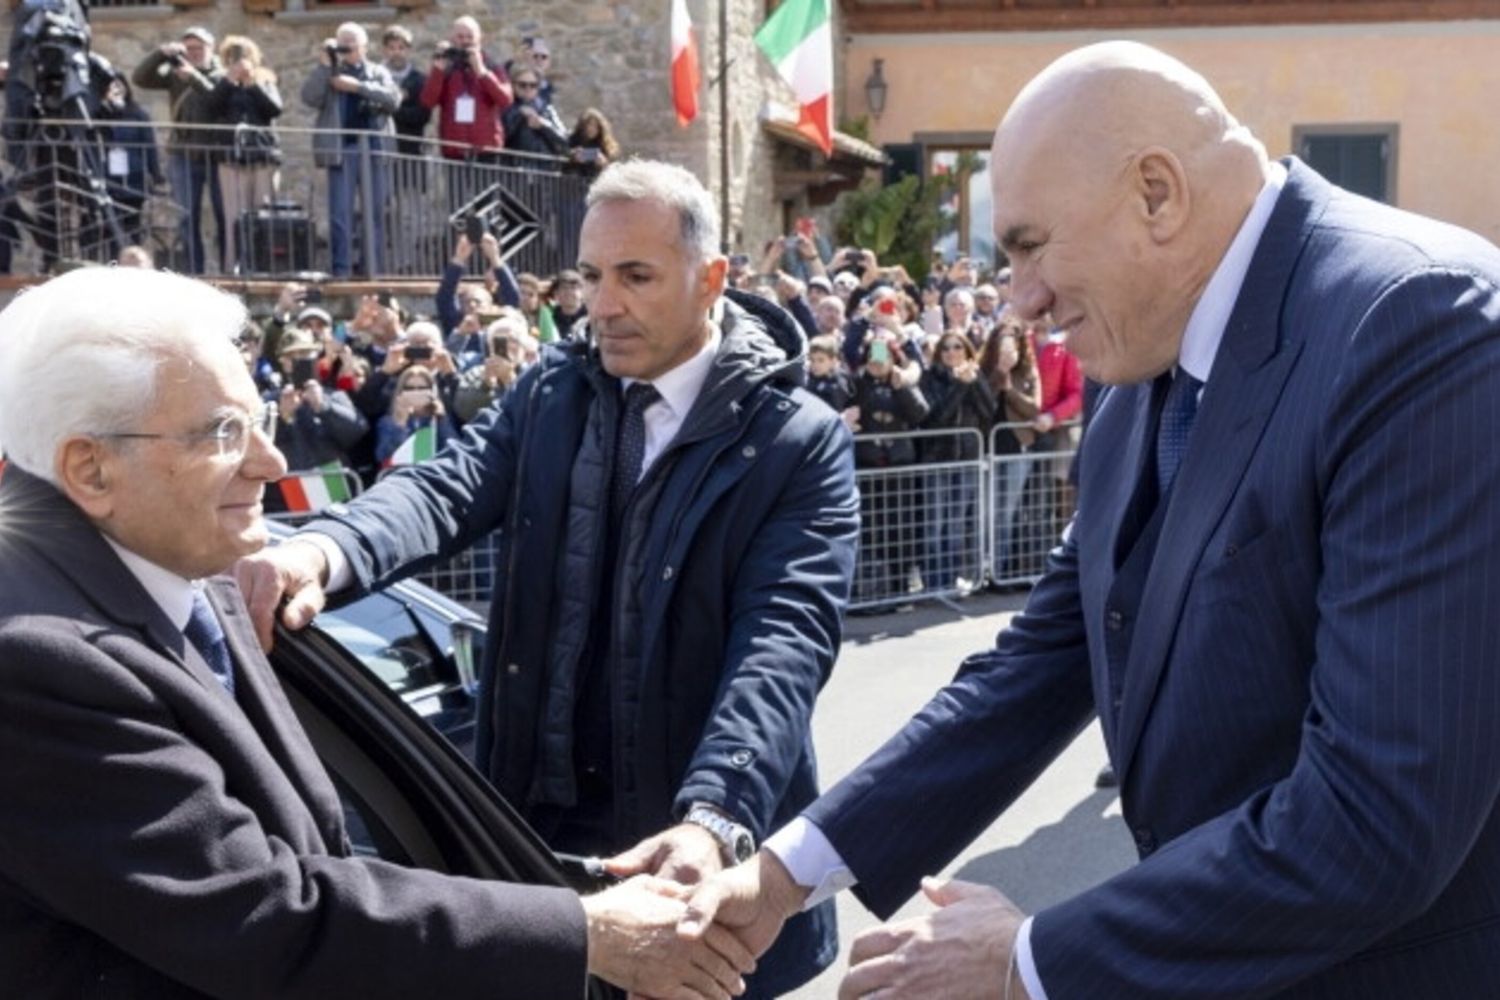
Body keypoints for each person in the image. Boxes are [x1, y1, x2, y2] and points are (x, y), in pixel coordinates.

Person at [679, 40, 1500, 1000]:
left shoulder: (1420, 325)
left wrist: (1027, 960)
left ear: (1157, 192)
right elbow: (1044, 658)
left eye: (1028, 245)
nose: (1018, 300)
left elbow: (1377, 815)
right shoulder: (1143, 357)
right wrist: (783, 873)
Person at [0, 265, 756, 1000]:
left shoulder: (202, 575)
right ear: (91, 471)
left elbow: (309, 845)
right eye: (224, 433)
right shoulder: (38, 663)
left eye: (258, 418)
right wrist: (585, 932)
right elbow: (262, 914)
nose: (269, 462)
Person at [235, 159, 859, 999]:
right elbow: (445, 489)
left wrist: (715, 818)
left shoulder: (798, 441)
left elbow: (782, 644)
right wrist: (321, 551)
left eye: (635, 276)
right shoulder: (551, 390)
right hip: (534, 832)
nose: (601, 304)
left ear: (711, 278)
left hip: (689, 847)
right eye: (591, 276)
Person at [301, 23, 399, 277]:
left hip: (375, 152)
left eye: (351, 43)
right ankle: (341, 269)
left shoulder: (377, 72)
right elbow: (309, 98)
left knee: (375, 213)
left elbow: (392, 99)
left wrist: (356, 86)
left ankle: (373, 269)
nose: (346, 48)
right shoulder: (330, 72)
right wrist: (324, 65)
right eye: (342, 42)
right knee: (339, 214)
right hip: (341, 151)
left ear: (364, 46)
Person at [131, 25, 224, 274]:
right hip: (183, 154)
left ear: (210, 48)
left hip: (216, 155)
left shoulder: (221, 74)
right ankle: (193, 270)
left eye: (199, 47)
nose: (194, 52)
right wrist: (161, 54)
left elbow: (216, 99)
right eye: (189, 48)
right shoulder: (176, 75)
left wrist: (193, 76)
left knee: (223, 216)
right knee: (186, 217)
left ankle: (228, 267)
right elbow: (140, 78)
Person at [206, 35, 281, 276]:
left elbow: (274, 109)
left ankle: (264, 265)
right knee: (233, 216)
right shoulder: (219, 81)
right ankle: (233, 268)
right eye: (234, 57)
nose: (239, 62)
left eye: (244, 56)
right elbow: (212, 108)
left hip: (263, 156)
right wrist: (229, 81)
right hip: (231, 158)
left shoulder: (265, 80)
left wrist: (252, 84)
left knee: (263, 212)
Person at [421, 16, 513, 164]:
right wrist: (437, 71)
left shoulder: (492, 65)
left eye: (470, 37)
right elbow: (427, 101)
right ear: (452, 38)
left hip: (486, 150)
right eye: (460, 36)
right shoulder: (446, 66)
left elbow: (505, 100)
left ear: (479, 38)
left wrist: (482, 72)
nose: (465, 41)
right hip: (454, 151)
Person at [502, 67, 568, 159]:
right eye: (522, 85)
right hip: (514, 168)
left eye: (533, 85)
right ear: (513, 85)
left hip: (543, 169)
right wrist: (518, 115)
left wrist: (543, 125)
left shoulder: (547, 109)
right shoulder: (505, 107)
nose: (528, 88)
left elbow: (564, 140)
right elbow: (500, 136)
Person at [567, 108, 621, 177]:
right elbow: (565, 155)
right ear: (582, 126)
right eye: (589, 125)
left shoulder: (604, 145)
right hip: (574, 182)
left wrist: (603, 162)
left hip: (597, 182)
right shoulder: (573, 140)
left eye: (595, 126)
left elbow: (611, 167)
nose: (591, 129)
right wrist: (573, 156)